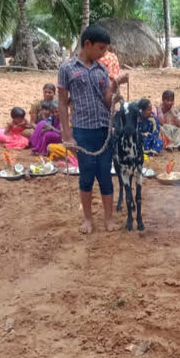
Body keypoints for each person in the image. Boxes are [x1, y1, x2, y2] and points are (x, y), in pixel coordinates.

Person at [59, 25, 121, 234]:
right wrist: (67, 135)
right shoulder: (66, 68)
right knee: (86, 176)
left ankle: (109, 218)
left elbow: (106, 101)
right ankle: (87, 219)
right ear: (88, 44)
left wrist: (115, 92)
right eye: (101, 48)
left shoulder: (102, 69)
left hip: (104, 130)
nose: (103, 53)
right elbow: (61, 104)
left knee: (105, 175)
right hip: (82, 131)